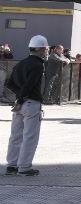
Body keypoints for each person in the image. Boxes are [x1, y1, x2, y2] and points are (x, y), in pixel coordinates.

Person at [4, 35, 49, 176]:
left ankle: (11, 165)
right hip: (30, 103)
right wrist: (22, 98)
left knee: (15, 136)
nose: (46, 51)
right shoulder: (38, 65)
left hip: (20, 103)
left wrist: (18, 98)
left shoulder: (21, 63)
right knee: (30, 136)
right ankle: (24, 167)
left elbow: (9, 83)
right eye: (46, 48)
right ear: (41, 49)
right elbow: (30, 85)